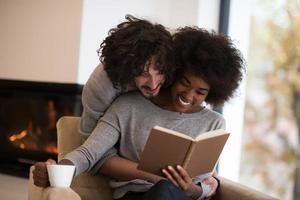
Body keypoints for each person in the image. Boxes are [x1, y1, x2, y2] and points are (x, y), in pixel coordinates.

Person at [33, 27, 244, 200]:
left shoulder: (215, 123)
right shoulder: (127, 105)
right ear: (174, 73)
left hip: (181, 198)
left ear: (213, 93)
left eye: (200, 92)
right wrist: (58, 169)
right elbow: (90, 152)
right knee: (163, 190)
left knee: (168, 191)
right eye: (185, 83)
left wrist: (192, 190)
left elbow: (206, 181)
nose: (188, 95)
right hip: (134, 196)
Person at [80, 15, 175, 138]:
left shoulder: (173, 73)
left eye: (160, 70)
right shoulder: (101, 86)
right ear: (127, 68)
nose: (153, 84)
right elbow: (88, 137)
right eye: (142, 73)